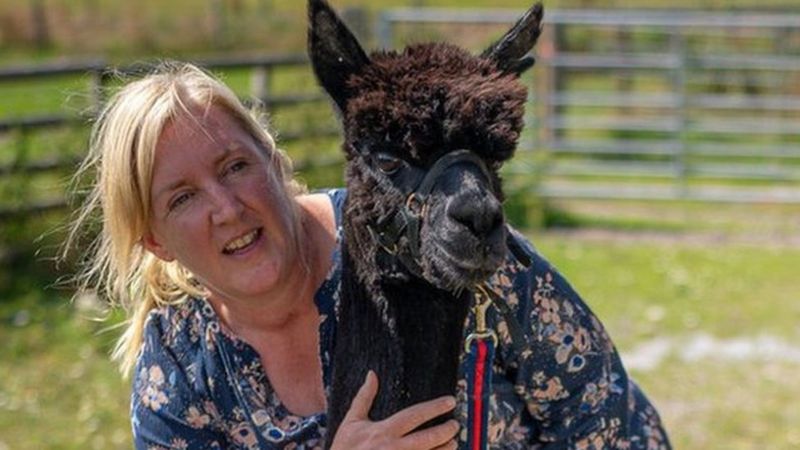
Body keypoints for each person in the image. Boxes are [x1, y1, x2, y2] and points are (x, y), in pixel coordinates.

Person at [65, 62, 670, 449]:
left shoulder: (426, 233)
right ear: (154, 238)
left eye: (236, 166)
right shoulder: (180, 370)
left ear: (275, 162)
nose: (227, 207)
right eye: (184, 197)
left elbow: (601, 415)